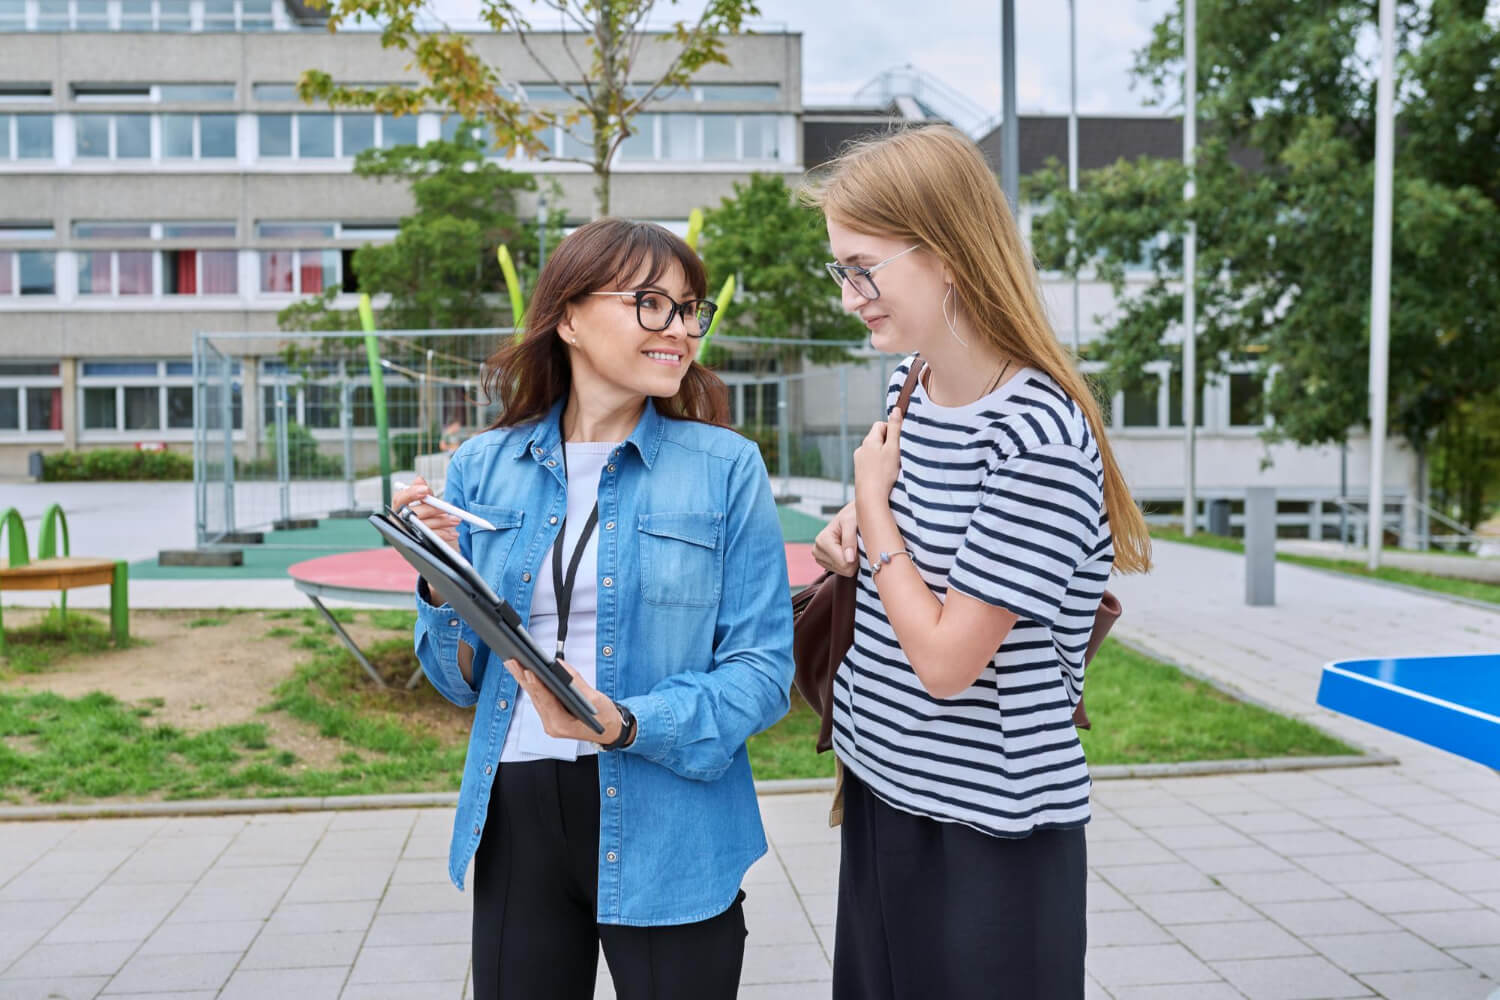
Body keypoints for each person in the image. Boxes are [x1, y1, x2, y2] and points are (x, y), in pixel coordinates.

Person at [396, 218, 794, 1000]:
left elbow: (763, 670)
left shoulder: (726, 469)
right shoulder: (483, 464)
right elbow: (458, 682)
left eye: (688, 309)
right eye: (651, 304)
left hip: (672, 813)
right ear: (569, 317)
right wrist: (441, 582)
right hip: (517, 811)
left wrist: (627, 723)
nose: (678, 329)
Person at [806, 124, 1153, 999]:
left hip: (993, 832)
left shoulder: (1037, 438)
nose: (851, 296)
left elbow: (948, 661)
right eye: (840, 270)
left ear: (948, 253)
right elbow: (904, 530)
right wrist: (852, 525)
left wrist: (873, 509)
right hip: (886, 786)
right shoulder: (911, 383)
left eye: (863, 267)